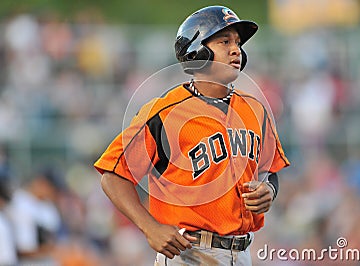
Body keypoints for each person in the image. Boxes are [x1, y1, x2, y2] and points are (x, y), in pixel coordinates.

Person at [95, 5, 290, 265]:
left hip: (243, 254)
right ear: (198, 50)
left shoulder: (255, 109)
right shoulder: (164, 111)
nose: (236, 49)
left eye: (237, 43)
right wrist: (149, 227)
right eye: (224, 41)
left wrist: (269, 190)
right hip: (189, 253)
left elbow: (269, 169)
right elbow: (113, 175)